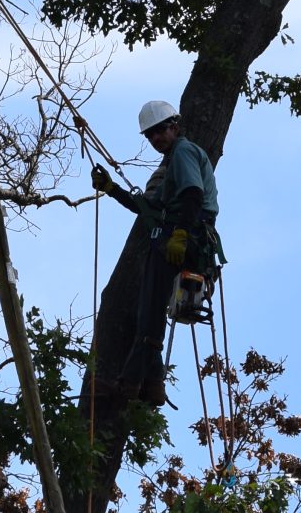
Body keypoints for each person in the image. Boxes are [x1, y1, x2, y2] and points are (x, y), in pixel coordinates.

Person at [86, 97, 221, 405]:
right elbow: (147, 209)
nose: (156, 139)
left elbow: (192, 194)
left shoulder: (184, 152)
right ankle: (153, 386)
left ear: (175, 126)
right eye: (151, 135)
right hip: (175, 239)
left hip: (184, 240)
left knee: (148, 319)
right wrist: (111, 188)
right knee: (148, 313)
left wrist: (182, 235)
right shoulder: (173, 162)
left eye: (160, 131)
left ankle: (129, 384)